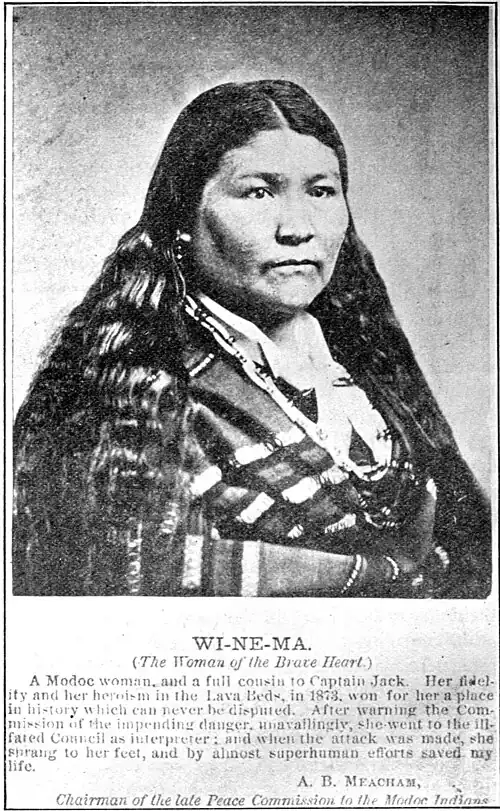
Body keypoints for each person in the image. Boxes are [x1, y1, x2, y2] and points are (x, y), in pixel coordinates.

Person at [13, 79, 491, 597]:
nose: (298, 228)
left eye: (321, 191)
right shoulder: (130, 396)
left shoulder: (366, 376)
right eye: (259, 192)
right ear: (183, 218)